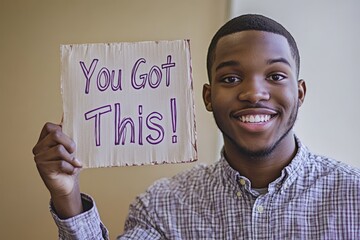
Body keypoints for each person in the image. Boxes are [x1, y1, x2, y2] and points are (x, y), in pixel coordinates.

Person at [33, 14, 360, 239]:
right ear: (207, 96)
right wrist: (67, 196)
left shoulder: (353, 196)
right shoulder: (162, 206)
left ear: (299, 93)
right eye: (231, 79)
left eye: (275, 76)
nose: (253, 93)